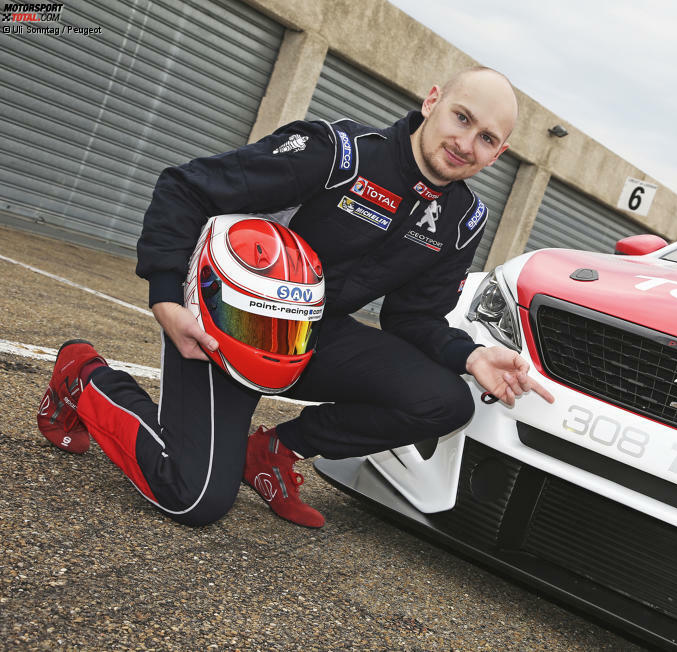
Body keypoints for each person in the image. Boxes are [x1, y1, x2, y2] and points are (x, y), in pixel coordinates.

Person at [36, 66, 554, 528]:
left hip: (311, 335)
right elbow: (186, 187)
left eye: (486, 138)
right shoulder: (338, 153)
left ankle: (272, 453)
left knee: (444, 400)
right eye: (461, 118)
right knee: (192, 498)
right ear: (432, 101)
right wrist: (167, 296)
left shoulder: (463, 221)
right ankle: (84, 378)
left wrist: (471, 354)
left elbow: (413, 318)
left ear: (499, 154)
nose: (466, 143)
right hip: (227, 324)